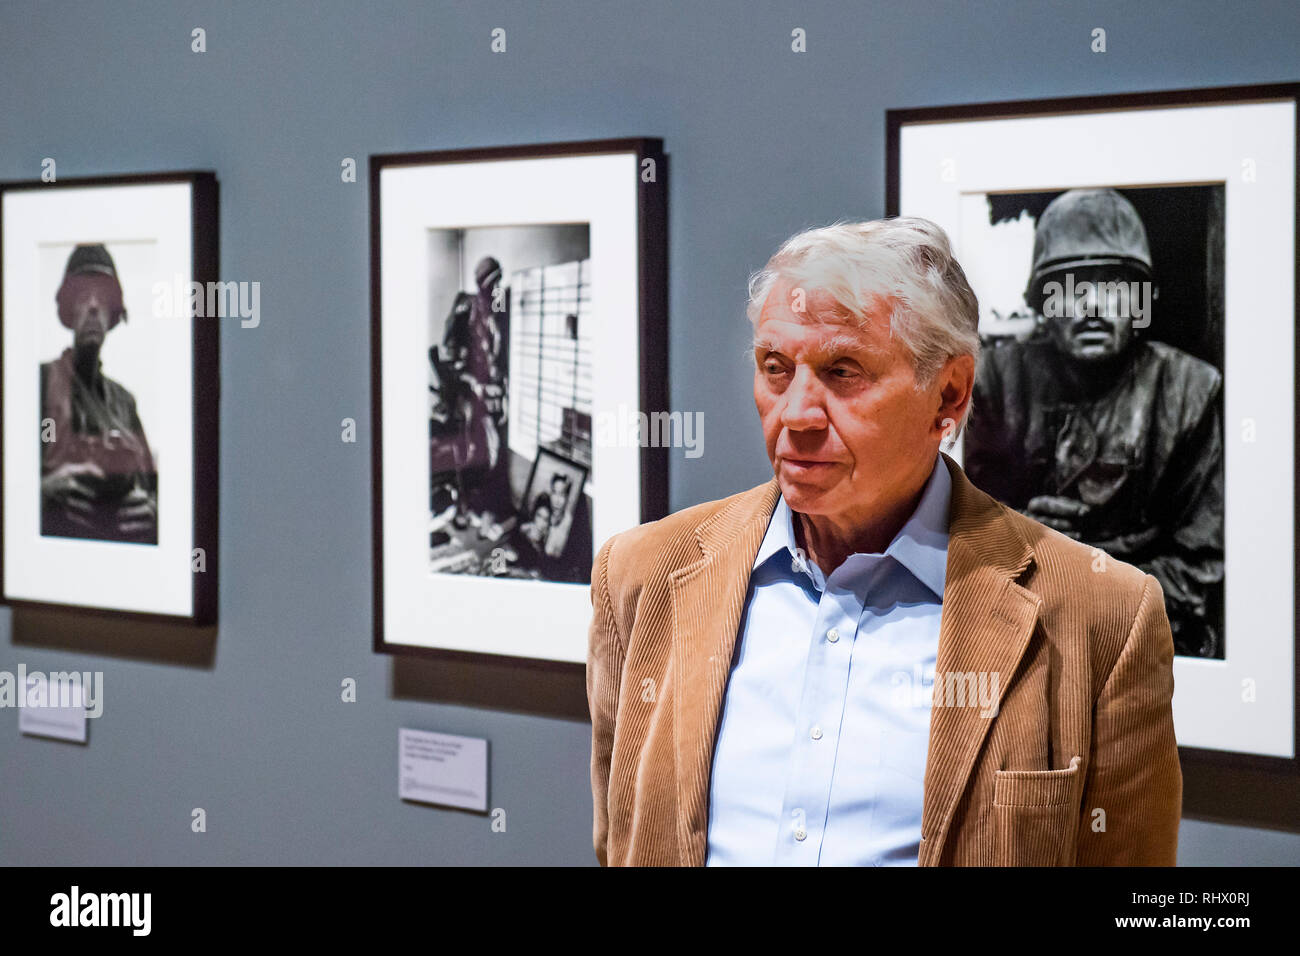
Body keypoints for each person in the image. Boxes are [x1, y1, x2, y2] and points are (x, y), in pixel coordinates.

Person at [586, 218, 1180, 866]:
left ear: (948, 395)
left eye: (844, 371)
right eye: (776, 368)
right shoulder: (643, 576)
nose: (797, 415)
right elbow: (621, 840)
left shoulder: (1100, 616)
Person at [963, 189, 1224, 658]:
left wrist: (1080, 568)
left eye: (1114, 287)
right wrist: (1018, 537)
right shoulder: (995, 384)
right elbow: (953, 541)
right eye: (1068, 288)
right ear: (1042, 303)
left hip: (1142, 637)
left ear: (1146, 299)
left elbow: (1201, 566)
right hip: (1017, 629)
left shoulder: (1189, 391)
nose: (1091, 306)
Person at [40, 243, 157, 545]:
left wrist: (153, 512)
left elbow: (155, 487)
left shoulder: (124, 403)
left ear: (112, 312)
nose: (92, 306)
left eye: (102, 297)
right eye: (82, 295)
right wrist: (41, 495)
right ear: (69, 308)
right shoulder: (40, 382)